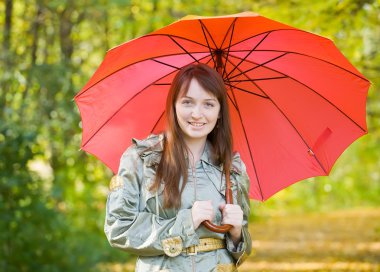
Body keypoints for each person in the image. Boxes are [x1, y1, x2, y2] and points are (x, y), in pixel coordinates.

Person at [104, 63, 252, 272]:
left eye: (209, 104)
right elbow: (118, 228)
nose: (197, 114)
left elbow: (242, 253)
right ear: (173, 105)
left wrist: (237, 234)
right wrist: (186, 222)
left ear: (220, 112)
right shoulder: (141, 159)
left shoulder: (232, 168)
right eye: (188, 102)